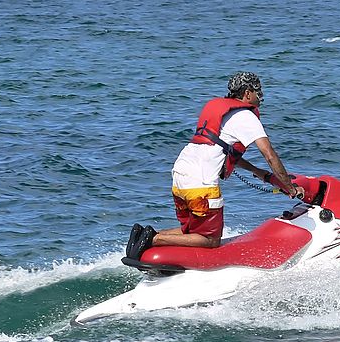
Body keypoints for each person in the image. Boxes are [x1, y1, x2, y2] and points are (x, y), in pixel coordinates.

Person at [126, 71, 304, 258]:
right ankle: (153, 239)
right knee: (211, 240)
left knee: (190, 232)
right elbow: (269, 154)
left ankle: (142, 234)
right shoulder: (246, 116)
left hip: (180, 174)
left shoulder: (222, 111)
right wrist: (289, 187)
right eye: (258, 92)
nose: (260, 97)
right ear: (247, 93)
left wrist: (257, 172)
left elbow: (222, 151)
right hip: (201, 183)